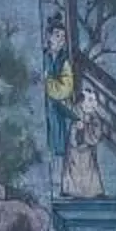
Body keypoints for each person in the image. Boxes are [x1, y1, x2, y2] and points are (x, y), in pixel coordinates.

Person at [41, 15, 78, 169]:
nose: (61, 39)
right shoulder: (42, 56)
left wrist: (48, 82)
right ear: (48, 36)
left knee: (58, 142)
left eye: (63, 36)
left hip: (57, 107)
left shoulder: (64, 60)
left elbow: (66, 87)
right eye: (57, 35)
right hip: (43, 106)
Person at [58, 88, 106, 200]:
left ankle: (92, 192)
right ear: (81, 102)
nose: (93, 103)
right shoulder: (74, 112)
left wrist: (85, 128)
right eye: (90, 100)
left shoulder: (94, 116)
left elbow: (96, 132)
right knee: (73, 168)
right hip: (75, 149)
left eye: (94, 100)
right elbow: (70, 133)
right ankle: (71, 190)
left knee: (89, 170)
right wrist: (77, 127)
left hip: (87, 149)